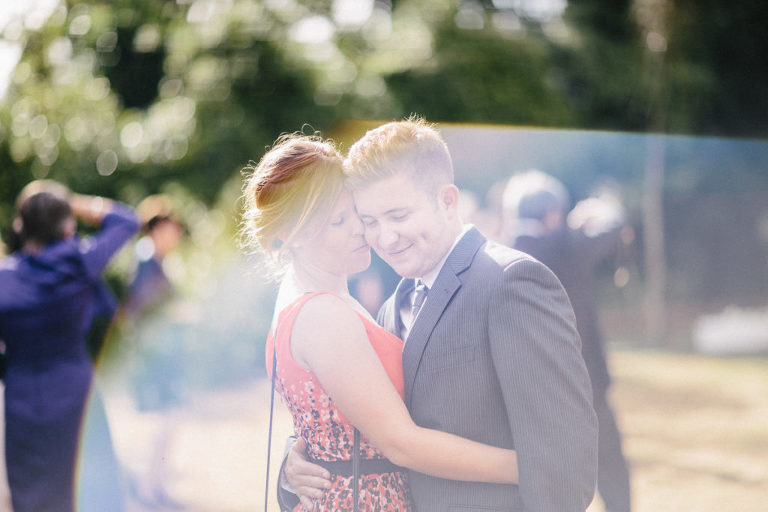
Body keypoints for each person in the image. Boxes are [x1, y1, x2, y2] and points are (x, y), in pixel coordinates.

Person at [282, 117, 598, 512]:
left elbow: (566, 462)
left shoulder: (510, 283)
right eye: (370, 222)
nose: (385, 238)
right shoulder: (391, 307)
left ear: (448, 201)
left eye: (398, 216)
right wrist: (297, 460)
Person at [242, 133, 522, 512]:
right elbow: (401, 443)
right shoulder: (323, 314)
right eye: (337, 221)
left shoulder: (321, 304)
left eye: (356, 213)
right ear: (289, 236)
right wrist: (527, 466)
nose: (360, 230)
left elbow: (330, 422)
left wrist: (296, 459)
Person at [0, 181, 139, 512]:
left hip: (22, 400)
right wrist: (70, 203)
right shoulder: (80, 261)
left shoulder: (4, 279)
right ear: (67, 225)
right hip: (76, 395)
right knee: (87, 489)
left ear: (22, 227)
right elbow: (127, 220)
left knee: (31, 495)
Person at [501, 170, 633, 512]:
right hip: (583, 380)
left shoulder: (499, 252)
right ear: (553, 214)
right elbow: (614, 224)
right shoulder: (567, 244)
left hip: (527, 391)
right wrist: (594, 210)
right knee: (610, 469)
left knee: (549, 479)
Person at [120, 194, 186, 509]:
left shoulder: (152, 259)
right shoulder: (148, 261)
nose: (176, 236)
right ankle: (147, 489)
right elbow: (146, 310)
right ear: (158, 230)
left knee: (162, 422)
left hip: (159, 355)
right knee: (160, 422)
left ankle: (151, 487)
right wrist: (177, 313)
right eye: (172, 229)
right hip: (153, 357)